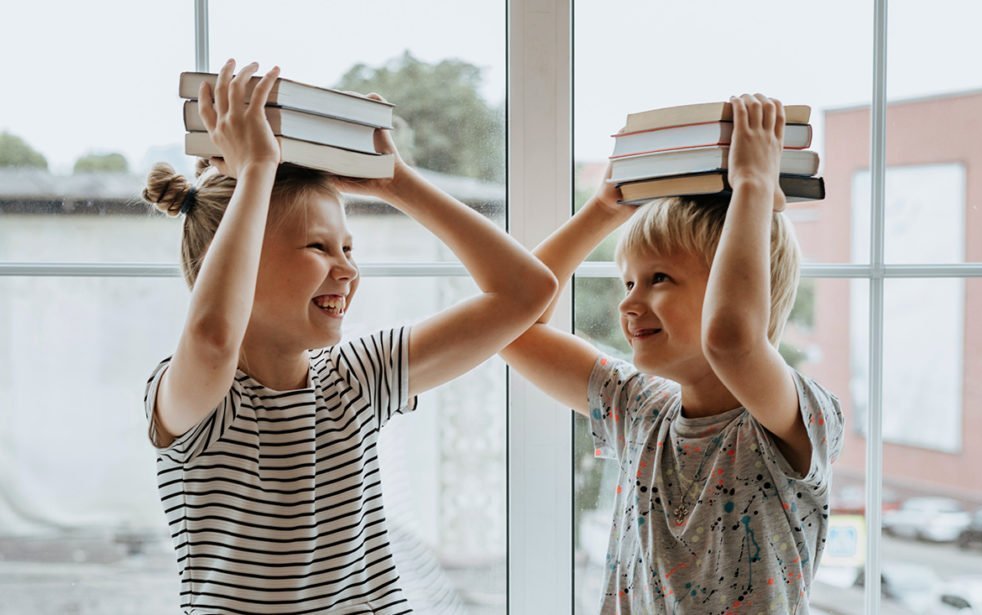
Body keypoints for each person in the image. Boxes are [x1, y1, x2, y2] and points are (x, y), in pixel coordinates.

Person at [140, 59, 557, 614]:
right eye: (319, 247)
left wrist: (398, 184)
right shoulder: (199, 399)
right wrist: (259, 167)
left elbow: (527, 292)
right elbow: (215, 336)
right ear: (238, 265)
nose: (348, 270)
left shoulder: (359, 377)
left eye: (349, 249)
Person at [501, 94, 844, 613]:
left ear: (743, 289)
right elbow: (508, 326)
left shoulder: (791, 417)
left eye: (659, 279)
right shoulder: (639, 407)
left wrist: (754, 186)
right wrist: (600, 212)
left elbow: (731, 342)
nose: (629, 301)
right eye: (629, 281)